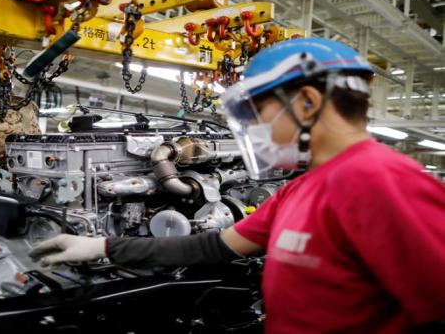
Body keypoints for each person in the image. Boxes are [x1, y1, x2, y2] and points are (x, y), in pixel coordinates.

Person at [29, 38, 445, 333]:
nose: (256, 126)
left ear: (306, 103)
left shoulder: (382, 182)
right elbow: (211, 247)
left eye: (259, 110)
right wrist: (100, 247)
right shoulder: (299, 190)